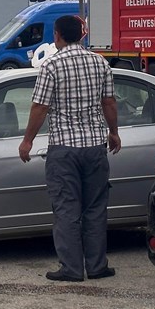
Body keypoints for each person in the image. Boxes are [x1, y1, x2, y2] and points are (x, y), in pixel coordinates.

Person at [18, 15, 121, 283]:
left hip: (64, 148)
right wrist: (113, 132)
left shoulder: (51, 65)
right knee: (96, 208)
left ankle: (71, 269)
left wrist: (28, 140)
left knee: (66, 208)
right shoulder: (100, 63)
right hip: (95, 147)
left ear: (58, 35)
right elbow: (109, 102)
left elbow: (40, 107)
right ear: (81, 35)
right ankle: (97, 266)